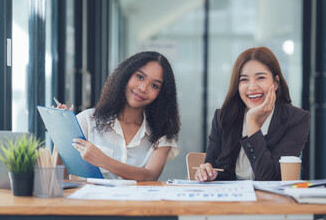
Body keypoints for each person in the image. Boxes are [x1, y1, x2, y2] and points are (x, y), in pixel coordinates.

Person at [57, 51, 180, 181]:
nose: (143, 88)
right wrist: (60, 134)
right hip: (90, 201)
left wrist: (103, 160)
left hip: (136, 202)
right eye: (140, 77)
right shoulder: (87, 120)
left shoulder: (162, 132)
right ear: (126, 75)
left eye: (154, 85)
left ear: (161, 94)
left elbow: (150, 176)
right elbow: (60, 178)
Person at [195, 46, 310, 182]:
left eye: (260, 77)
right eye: (244, 80)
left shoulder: (296, 120)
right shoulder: (222, 117)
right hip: (232, 200)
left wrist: (252, 121)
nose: (252, 87)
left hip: (271, 202)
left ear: (276, 82)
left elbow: (269, 177)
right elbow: (214, 169)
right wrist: (206, 172)